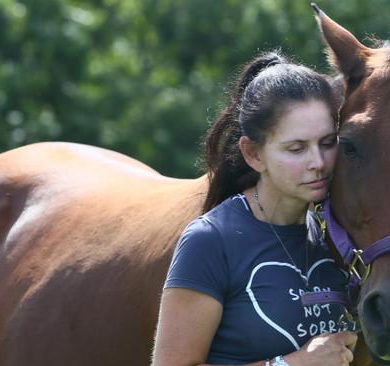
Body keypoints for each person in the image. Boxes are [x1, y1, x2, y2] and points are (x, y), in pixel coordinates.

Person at [152, 50, 357, 366]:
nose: (318, 163)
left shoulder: (342, 231)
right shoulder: (211, 241)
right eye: (296, 148)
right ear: (253, 154)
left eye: (328, 143)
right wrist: (290, 365)